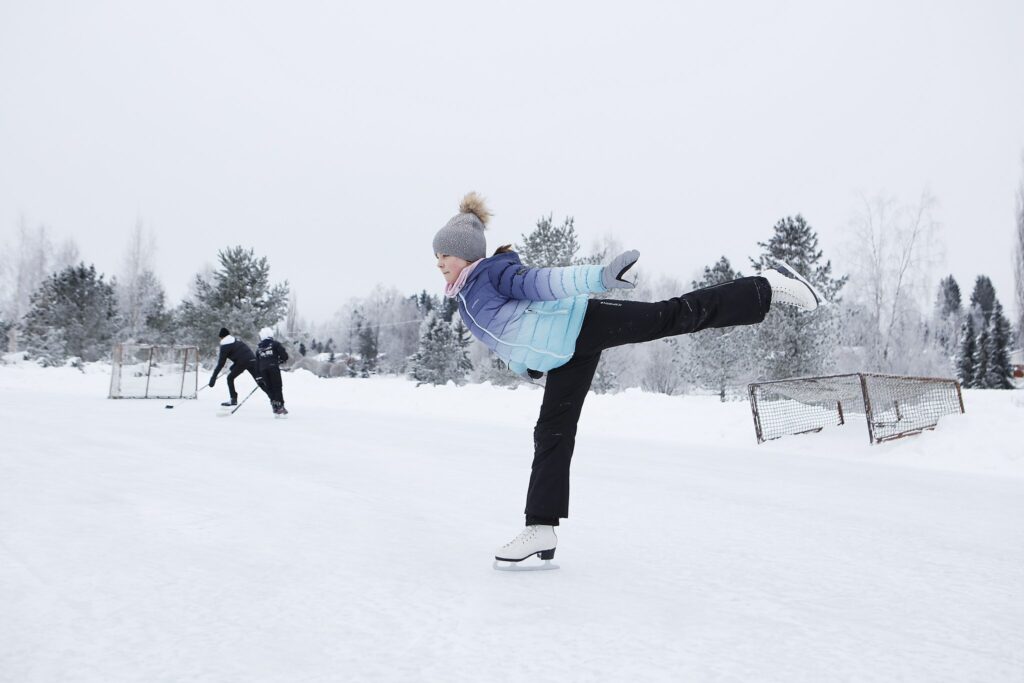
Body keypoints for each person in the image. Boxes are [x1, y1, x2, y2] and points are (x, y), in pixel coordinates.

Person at [432, 192, 823, 568]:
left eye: (444, 254)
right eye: (436, 256)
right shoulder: (465, 298)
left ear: (466, 252)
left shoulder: (491, 274)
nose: (438, 262)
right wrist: (527, 367)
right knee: (551, 432)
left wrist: (599, 277)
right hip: (566, 356)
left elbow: (545, 282)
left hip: (583, 321)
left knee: (671, 315)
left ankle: (765, 286)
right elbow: (509, 340)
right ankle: (540, 529)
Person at [208, 327, 264, 406]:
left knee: (230, 378)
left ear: (222, 337)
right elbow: (242, 353)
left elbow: (221, 363)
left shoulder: (225, 345)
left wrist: (213, 378)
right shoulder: (236, 341)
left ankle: (233, 399)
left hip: (242, 363)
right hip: (252, 360)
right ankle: (274, 399)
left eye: (220, 338)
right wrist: (234, 365)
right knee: (260, 380)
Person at [256, 327, 289, 416]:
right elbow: (284, 356)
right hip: (273, 368)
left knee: (270, 388)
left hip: (263, 370)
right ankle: (280, 406)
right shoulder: (275, 344)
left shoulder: (259, 348)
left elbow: (257, 362)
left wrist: (258, 376)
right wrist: (280, 360)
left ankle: (274, 406)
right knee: (277, 387)